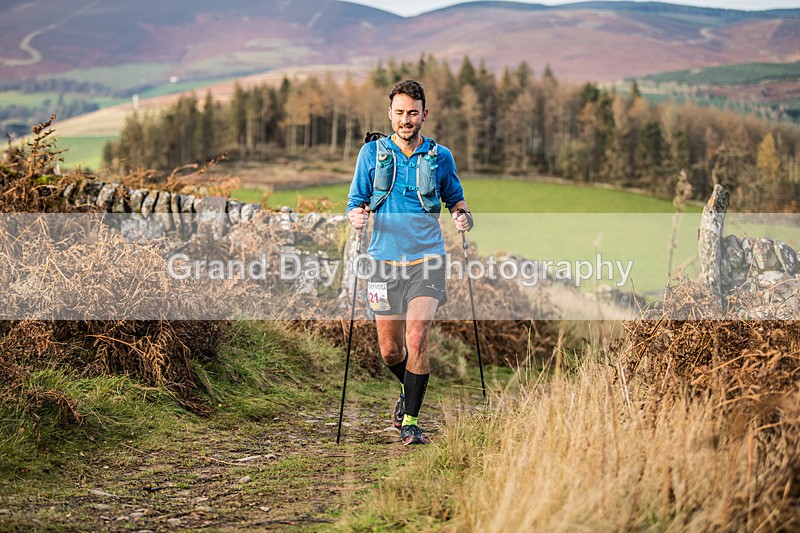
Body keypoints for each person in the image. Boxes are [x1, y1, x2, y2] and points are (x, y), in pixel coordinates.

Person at [346, 79, 473, 445]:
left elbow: (457, 200)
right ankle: (409, 391)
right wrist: (356, 216)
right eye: (400, 113)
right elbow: (355, 201)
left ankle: (411, 421)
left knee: (417, 338)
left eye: (413, 113)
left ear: (424, 115)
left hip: (427, 259)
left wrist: (463, 216)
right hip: (383, 262)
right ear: (390, 114)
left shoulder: (439, 156)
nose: (406, 119)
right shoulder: (370, 155)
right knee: (391, 351)